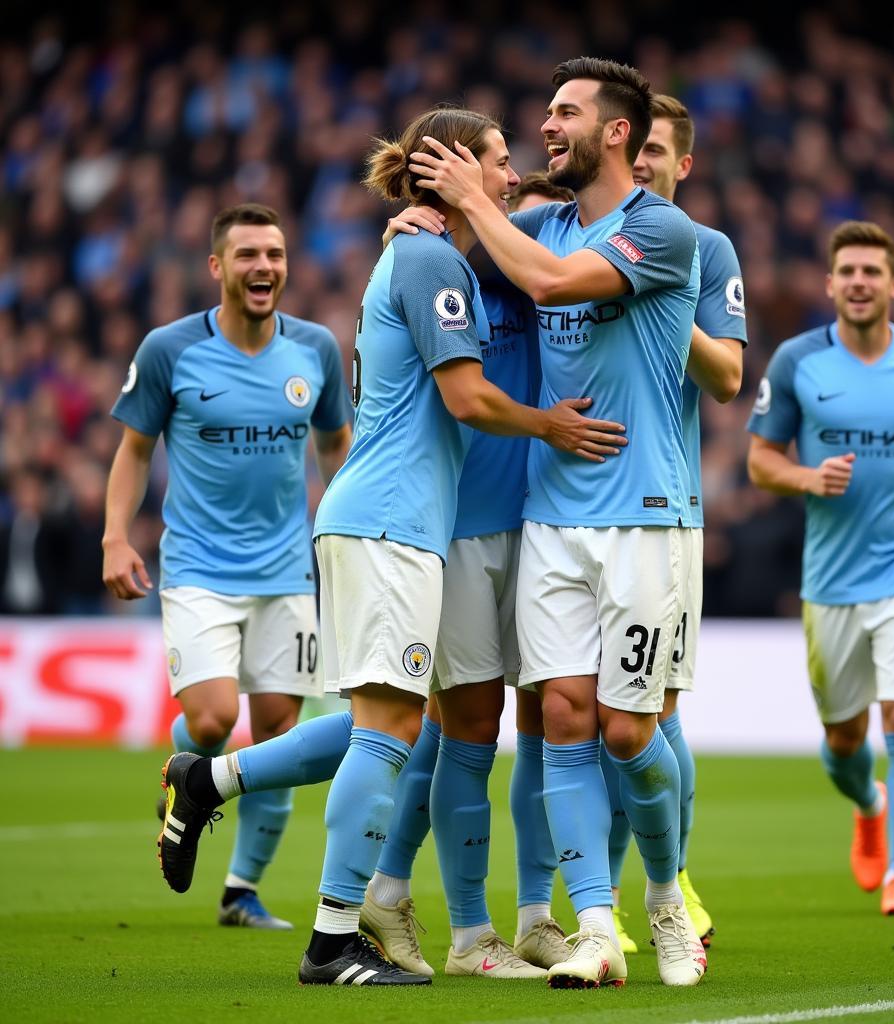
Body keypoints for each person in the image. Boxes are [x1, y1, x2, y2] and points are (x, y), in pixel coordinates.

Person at [154, 107, 628, 988]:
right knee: (393, 734)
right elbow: (465, 398)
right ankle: (335, 939)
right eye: (496, 161)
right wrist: (550, 427)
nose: (510, 174)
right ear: (453, 170)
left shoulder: (427, 251)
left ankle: (210, 780)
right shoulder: (428, 257)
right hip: (390, 522)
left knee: (389, 726)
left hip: (390, 522)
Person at [410, 58, 708, 987]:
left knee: (627, 731)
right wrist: (424, 229)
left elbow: (544, 283)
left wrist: (473, 201)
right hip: (549, 518)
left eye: (566, 113)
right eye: (545, 111)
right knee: (566, 724)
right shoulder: (537, 218)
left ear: (617, 132)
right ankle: (592, 925)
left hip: (641, 515)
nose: (547, 125)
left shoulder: (660, 228)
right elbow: (470, 265)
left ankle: (665, 895)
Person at [104, 203, 353, 929]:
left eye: (274, 255)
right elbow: (135, 451)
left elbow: (338, 443)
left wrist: (342, 529)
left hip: (286, 572)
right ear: (217, 267)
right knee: (212, 721)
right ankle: (187, 774)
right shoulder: (169, 349)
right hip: (198, 569)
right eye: (247, 255)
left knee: (278, 737)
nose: (263, 268)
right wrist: (115, 538)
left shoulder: (315, 350)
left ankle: (241, 891)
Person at [360, 171, 577, 981]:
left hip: (546, 529)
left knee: (549, 730)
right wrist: (411, 226)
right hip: (455, 532)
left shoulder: (548, 272)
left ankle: (530, 917)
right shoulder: (440, 265)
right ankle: (469, 935)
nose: (515, 218)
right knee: (465, 734)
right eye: (501, 199)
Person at [747, 220, 894, 917]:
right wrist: (806, 478)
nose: (858, 282)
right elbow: (762, 461)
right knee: (844, 741)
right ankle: (869, 802)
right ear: (829, 284)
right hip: (831, 580)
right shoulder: (797, 361)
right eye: (847, 271)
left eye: (871, 272)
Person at [603, 93, 747, 953]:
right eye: (637, 147)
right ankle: (586, 902)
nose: (646, 162)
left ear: (682, 164)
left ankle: (670, 879)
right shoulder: (580, 229)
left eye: (659, 151)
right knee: (572, 720)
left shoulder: (703, 247)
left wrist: (665, 301)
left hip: (662, 507)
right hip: (565, 507)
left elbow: (728, 375)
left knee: (654, 714)